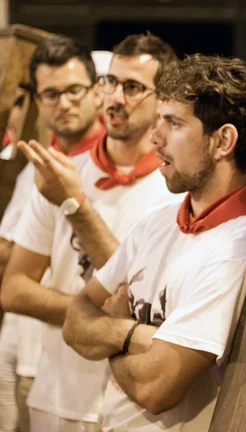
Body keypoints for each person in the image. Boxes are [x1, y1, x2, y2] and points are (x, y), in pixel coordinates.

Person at [62, 53, 246, 431]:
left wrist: (115, 323)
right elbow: (75, 319)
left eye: (173, 123)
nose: (155, 137)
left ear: (222, 140)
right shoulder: (160, 218)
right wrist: (134, 335)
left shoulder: (241, 245)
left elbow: (156, 389)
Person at [0, 33, 178, 432]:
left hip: (137, 411)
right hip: (57, 395)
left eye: (132, 87)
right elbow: (13, 290)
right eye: (110, 83)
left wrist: (74, 206)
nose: (116, 98)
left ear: (163, 98)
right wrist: (92, 316)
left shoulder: (174, 190)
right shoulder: (62, 174)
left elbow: (139, 301)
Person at [0, 35, 106, 432]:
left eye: (74, 91)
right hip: (33, 351)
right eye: (51, 94)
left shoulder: (113, 164)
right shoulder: (40, 163)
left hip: (88, 372)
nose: (64, 103)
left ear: (96, 90)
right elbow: (12, 272)